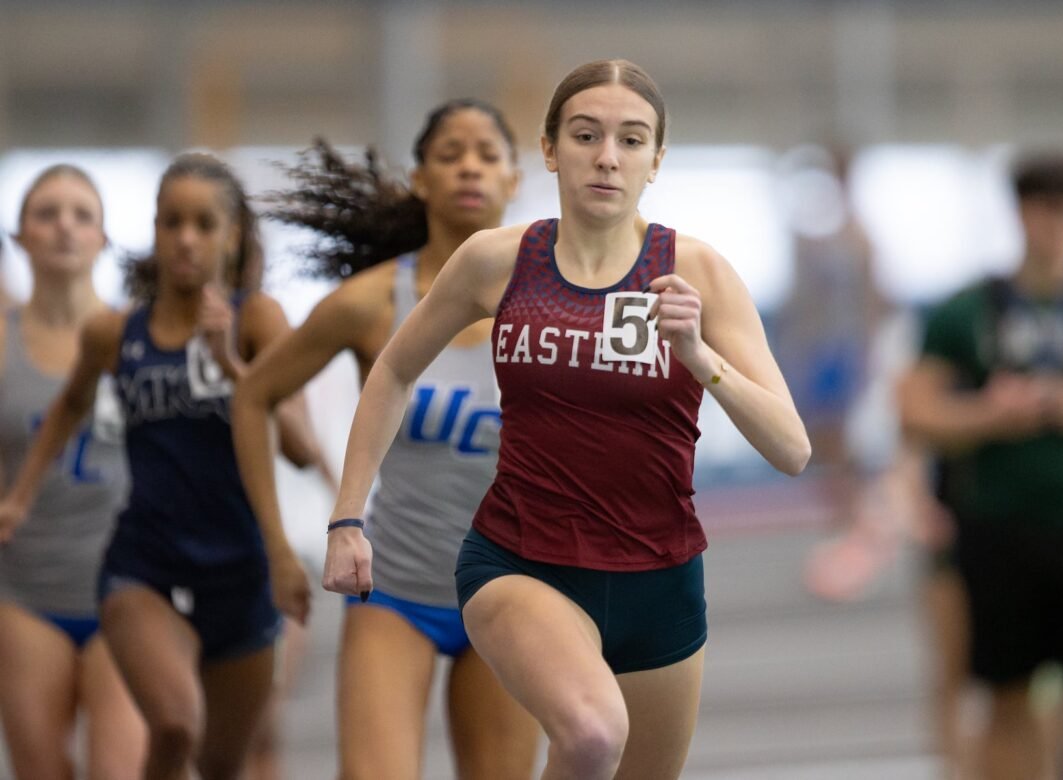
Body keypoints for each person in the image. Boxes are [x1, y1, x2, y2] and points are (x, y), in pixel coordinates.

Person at [319, 59, 810, 779]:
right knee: (590, 733)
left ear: (655, 161)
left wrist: (699, 354)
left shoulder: (698, 273)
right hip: (520, 561)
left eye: (631, 140)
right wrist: (346, 518)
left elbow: (792, 448)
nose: (607, 156)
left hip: (661, 579)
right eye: (586, 135)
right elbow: (393, 369)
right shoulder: (496, 260)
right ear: (550, 150)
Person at [233, 103, 540, 779]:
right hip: (394, 588)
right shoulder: (370, 303)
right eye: (451, 152)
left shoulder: (555, 302)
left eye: (488, 154)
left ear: (514, 179)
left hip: (513, 590)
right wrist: (278, 544)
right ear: (420, 178)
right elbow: (253, 395)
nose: (469, 166)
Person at [0, 152, 319, 780]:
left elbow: (302, 448)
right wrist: (20, 495)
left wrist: (234, 369)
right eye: (171, 222)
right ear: (153, 230)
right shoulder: (115, 333)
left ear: (232, 235)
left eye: (203, 224)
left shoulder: (259, 320)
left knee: (223, 763)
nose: (186, 239)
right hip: (143, 568)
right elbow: (68, 405)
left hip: (240, 573)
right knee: (174, 724)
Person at [900, 150, 1063, 780]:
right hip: (1000, 531)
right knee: (1005, 698)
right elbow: (916, 411)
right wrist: (991, 414)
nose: (1054, 224)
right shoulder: (966, 311)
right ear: (1019, 214)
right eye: (1041, 208)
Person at [0, 165, 145, 778]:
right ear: (20, 237)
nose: (64, 226)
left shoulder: (139, 338)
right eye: (47, 213)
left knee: (120, 768)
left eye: (82, 214)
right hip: (24, 589)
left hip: (129, 584)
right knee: (40, 768)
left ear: (104, 239)